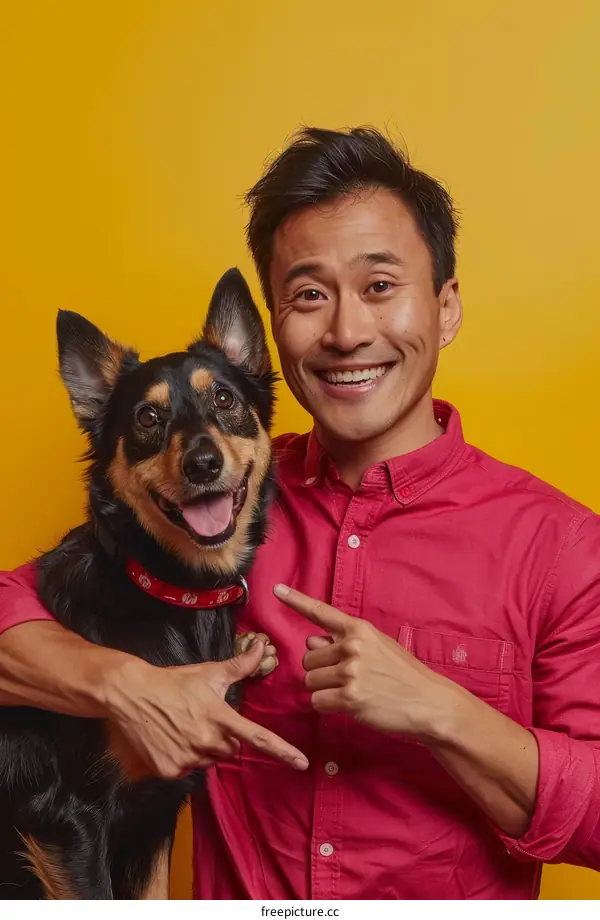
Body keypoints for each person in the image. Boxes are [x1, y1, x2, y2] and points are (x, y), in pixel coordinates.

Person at [1, 127, 600, 901]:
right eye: (309, 295)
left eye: (381, 286)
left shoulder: (561, 546)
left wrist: (439, 709)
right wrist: (124, 684)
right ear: (273, 332)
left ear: (446, 308)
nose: (347, 332)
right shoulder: (203, 508)